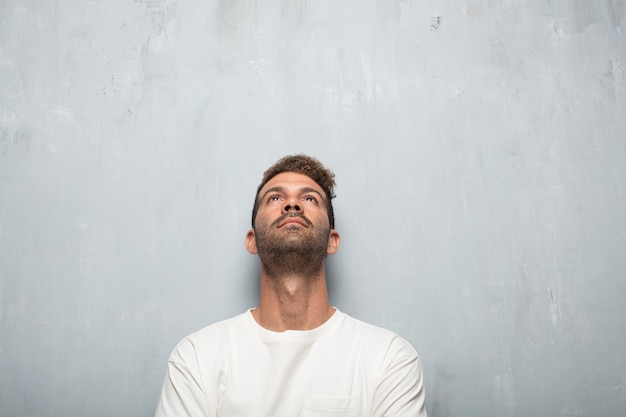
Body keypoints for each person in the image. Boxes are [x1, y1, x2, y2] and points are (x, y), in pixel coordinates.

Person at [154, 154, 427, 417]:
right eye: (275, 198)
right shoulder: (197, 359)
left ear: (332, 240)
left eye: (309, 198)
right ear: (252, 240)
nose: (292, 205)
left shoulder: (388, 359)